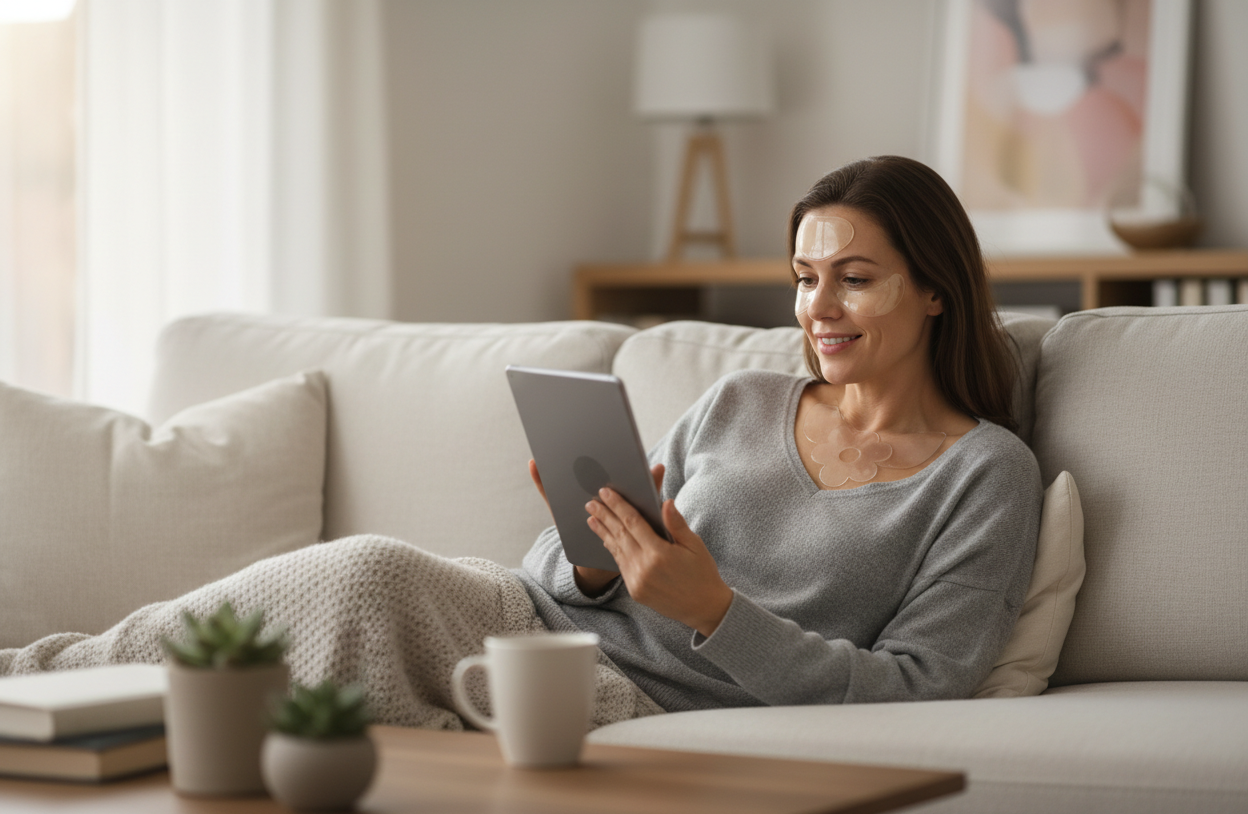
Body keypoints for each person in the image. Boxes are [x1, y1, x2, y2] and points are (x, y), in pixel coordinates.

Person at [0, 156, 1041, 728]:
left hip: (626, 693)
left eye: (855, 276)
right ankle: (40, 682)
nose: (820, 305)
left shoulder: (983, 471)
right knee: (361, 583)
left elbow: (920, 686)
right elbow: (558, 579)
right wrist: (592, 551)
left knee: (349, 597)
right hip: (521, 617)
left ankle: (49, 687)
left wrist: (713, 611)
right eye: (806, 276)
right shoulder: (740, 400)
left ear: (936, 288)